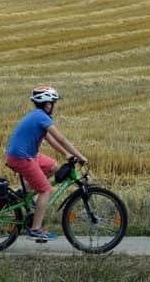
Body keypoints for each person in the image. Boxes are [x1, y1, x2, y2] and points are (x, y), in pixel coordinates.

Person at [5, 85, 88, 241]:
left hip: (29, 155)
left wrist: (66, 154)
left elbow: (50, 140)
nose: (55, 105)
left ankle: (26, 194)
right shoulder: (42, 117)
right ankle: (35, 229)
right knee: (46, 190)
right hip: (21, 157)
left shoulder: (38, 116)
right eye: (54, 102)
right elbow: (61, 139)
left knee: (53, 167)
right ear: (48, 104)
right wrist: (80, 156)